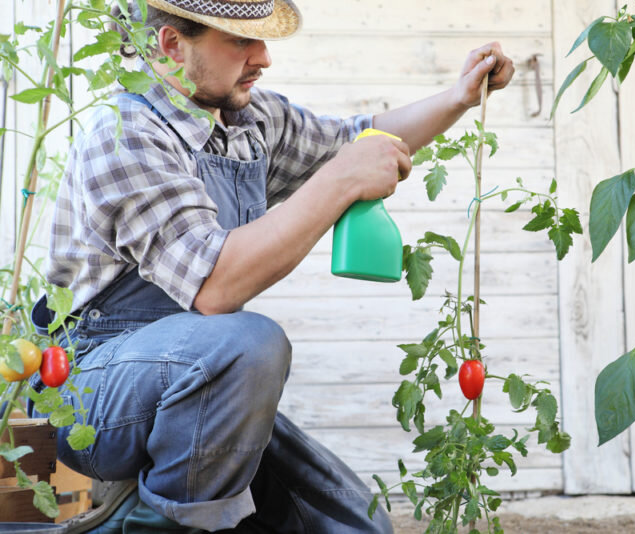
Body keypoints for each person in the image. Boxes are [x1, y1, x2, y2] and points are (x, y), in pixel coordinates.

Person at [31, 0, 515, 532]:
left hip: (196, 380)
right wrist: (339, 182)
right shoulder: (123, 132)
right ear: (172, 45)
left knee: (354, 523)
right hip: (90, 393)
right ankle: (140, 525)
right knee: (247, 342)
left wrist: (459, 98)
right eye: (240, 41)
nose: (263, 57)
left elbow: (362, 136)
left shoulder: (249, 120)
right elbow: (215, 288)